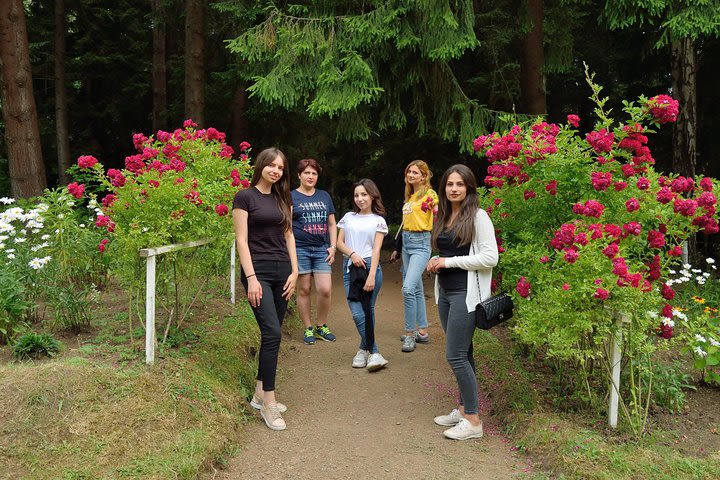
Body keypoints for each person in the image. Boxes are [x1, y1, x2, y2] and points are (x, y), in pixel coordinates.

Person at [426, 164, 498, 440]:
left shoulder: (478, 217)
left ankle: (474, 422)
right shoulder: (444, 216)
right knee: (464, 352)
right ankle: (464, 408)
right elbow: (445, 253)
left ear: (469, 188)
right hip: (445, 292)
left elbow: (490, 257)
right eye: (449, 184)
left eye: (459, 184)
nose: (454, 189)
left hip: (466, 296)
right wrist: (437, 262)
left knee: (454, 354)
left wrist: (448, 261)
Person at [233, 147, 298, 431]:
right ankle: (269, 403)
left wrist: (295, 271)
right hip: (257, 272)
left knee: (272, 334)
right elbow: (241, 240)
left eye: (280, 167)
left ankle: (260, 392)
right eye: (271, 165)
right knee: (272, 332)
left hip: (283, 271)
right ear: (261, 166)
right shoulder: (245, 197)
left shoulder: (283, 198)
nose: (275, 171)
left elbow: (289, 235)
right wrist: (251, 277)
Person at [336, 178, 389, 372]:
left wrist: (371, 275)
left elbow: (376, 250)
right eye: (357, 195)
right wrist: (352, 254)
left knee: (368, 310)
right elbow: (338, 243)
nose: (360, 199)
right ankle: (373, 351)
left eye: (364, 194)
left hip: (370, 267)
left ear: (373, 195)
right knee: (358, 314)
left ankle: (363, 350)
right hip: (350, 266)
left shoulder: (378, 220)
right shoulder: (348, 217)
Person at [389, 160, 438, 353]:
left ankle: (410, 334)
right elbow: (404, 226)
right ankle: (423, 332)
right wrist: (397, 248)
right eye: (409, 171)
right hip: (407, 244)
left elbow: (438, 214)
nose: (411, 175)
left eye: (415, 172)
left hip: (421, 244)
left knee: (408, 289)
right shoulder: (410, 197)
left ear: (424, 176)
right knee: (415, 289)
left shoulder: (429, 195)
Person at [291, 159, 337, 345]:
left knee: (325, 290)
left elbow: (332, 223)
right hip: (300, 249)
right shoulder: (291, 196)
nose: (310, 176)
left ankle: (321, 326)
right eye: (307, 173)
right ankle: (308, 328)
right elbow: (286, 226)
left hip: (321, 249)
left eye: (314, 173)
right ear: (299, 175)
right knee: (304, 289)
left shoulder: (324, 196)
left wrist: (333, 246)